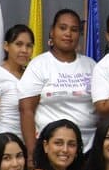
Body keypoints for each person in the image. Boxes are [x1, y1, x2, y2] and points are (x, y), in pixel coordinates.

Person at [19, 9, 99, 152]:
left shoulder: (91, 65)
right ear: (52, 31)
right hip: (50, 151)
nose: (68, 34)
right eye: (63, 28)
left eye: (74, 30)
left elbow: (101, 107)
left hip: (89, 149)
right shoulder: (39, 64)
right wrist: (32, 154)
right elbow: (26, 111)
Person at [0, 24, 36, 144]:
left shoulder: (32, 76)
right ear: (6, 46)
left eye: (29, 46)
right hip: (5, 148)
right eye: (18, 44)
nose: (24, 50)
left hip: (28, 148)